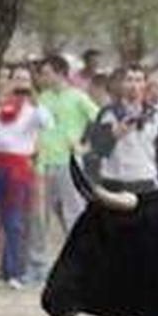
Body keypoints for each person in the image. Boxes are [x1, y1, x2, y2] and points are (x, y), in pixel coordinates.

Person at [0, 80, 52, 289]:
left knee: (13, 222)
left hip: (17, 169)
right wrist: (1, 101)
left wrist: (34, 99)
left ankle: (13, 271)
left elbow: (48, 123)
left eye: (23, 84)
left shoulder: (33, 111)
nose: (19, 90)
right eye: (16, 83)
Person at [30, 54, 98, 277]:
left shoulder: (78, 97)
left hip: (69, 163)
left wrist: (86, 146)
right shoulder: (43, 98)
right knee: (40, 216)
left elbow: (98, 119)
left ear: (60, 73)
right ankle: (38, 265)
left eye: (47, 72)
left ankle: (81, 262)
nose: (42, 77)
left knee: (74, 213)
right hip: (43, 163)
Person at [96, 66, 158, 194]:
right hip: (114, 180)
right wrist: (114, 135)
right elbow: (98, 148)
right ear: (122, 84)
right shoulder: (108, 114)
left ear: (145, 84)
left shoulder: (156, 116)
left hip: (144, 180)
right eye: (129, 80)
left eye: (138, 80)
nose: (134, 85)